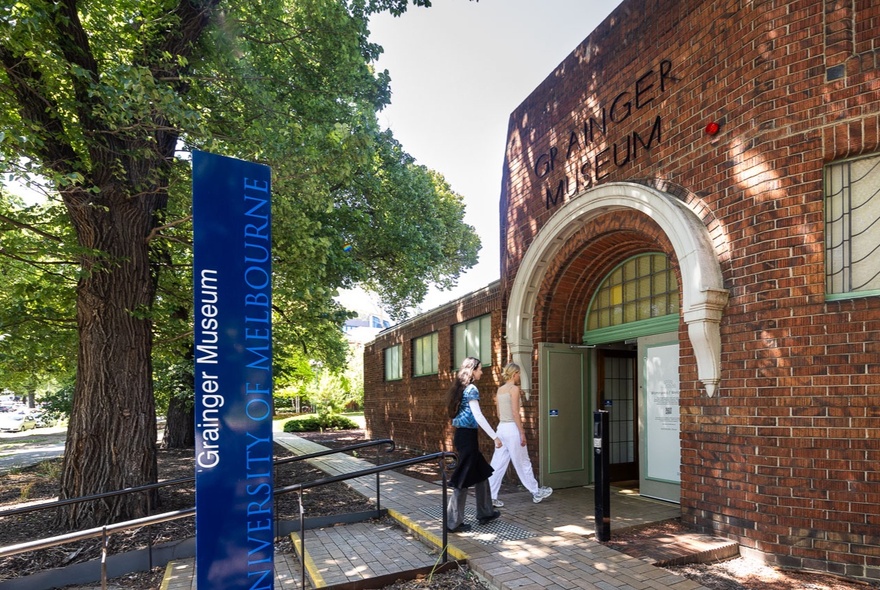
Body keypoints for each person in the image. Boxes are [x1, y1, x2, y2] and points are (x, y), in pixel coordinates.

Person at [445, 357, 503, 532]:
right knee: (462, 480)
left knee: (482, 473)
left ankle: (485, 512)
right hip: (467, 438)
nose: (482, 372)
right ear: (472, 370)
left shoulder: (462, 388)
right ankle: (453, 523)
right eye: (479, 369)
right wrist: (495, 437)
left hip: (464, 436)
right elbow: (478, 416)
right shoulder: (471, 389)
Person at [488, 362, 553, 506]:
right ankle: (536, 492)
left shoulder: (500, 390)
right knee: (523, 462)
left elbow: (499, 413)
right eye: (518, 374)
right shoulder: (514, 389)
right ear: (515, 373)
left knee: (497, 464)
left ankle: (490, 496)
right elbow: (515, 413)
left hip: (501, 428)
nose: (519, 377)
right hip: (512, 428)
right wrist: (522, 432)